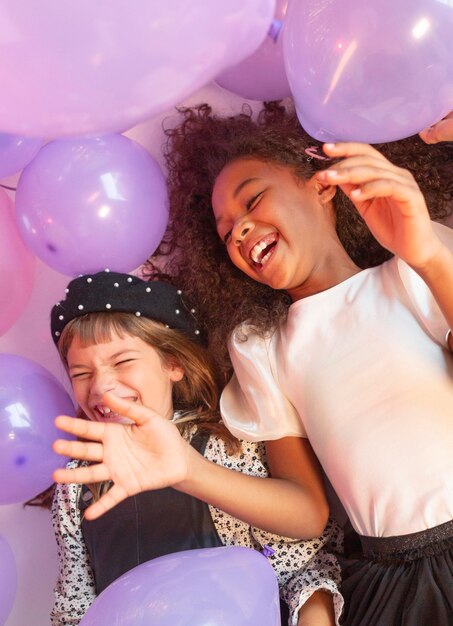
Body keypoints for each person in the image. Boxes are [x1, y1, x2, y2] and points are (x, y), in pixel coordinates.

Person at [142, 102, 453, 625]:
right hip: (395, 586)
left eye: (253, 199)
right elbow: (307, 512)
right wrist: (188, 470)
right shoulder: (263, 348)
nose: (240, 229)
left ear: (322, 185)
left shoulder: (414, 271)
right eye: (226, 232)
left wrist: (426, 254)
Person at [50, 270, 344, 626]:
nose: (101, 387)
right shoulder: (76, 485)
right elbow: (74, 608)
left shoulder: (228, 447)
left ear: (173, 364)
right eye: (81, 373)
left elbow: (299, 571)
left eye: (123, 361)